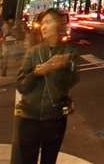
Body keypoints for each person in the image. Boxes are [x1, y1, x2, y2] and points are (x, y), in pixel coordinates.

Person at [12, 9, 78, 164]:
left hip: (55, 119)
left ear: (58, 25)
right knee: (27, 159)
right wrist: (35, 74)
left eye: (48, 22)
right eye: (42, 23)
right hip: (30, 118)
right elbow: (21, 86)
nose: (44, 27)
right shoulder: (33, 53)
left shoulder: (68, 52)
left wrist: (61, 67)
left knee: (49, 160)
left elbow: (69, 82)